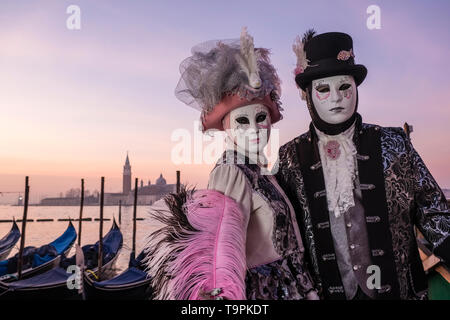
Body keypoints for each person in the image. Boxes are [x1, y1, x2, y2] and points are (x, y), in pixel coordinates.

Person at [143, 28, 318, 300]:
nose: (255, 129)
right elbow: (218, 243)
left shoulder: (262, 170)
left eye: (260, 118)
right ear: (226, 127)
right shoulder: (231, 171)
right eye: (242, 121)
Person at [275, 30, 450, 300]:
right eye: (323, 89)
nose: (336, 97)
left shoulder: (394, 143)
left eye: (344, 86)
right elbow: (282, 235)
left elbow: (434, 212)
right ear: (308, 94)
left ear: (356, 87)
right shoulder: (290, 158)